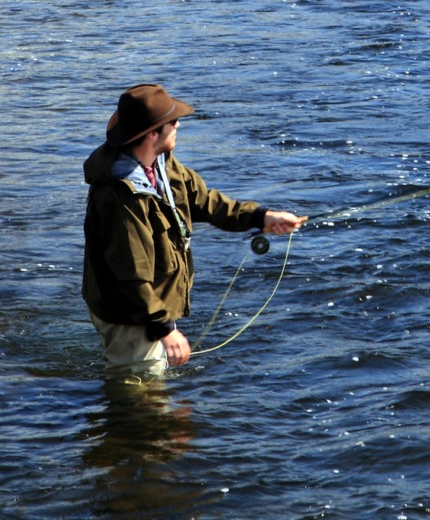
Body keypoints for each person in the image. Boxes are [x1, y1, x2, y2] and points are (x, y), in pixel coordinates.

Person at [83, 83, 306, 376]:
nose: (178, 126)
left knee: (149, 390)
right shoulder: (120, 198)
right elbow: (130, 275)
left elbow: (205, 202)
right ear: (152, 134)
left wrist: (261, 217)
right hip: (130, 313)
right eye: (172, 122)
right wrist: (163, 327)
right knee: (141, 394)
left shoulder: (161, 162)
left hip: (145, 306)